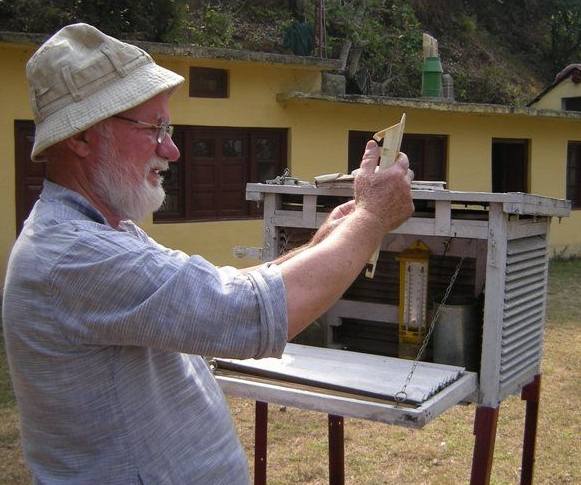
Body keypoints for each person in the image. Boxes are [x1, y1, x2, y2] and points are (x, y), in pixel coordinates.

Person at [2, 23, 414, 484]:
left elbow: (218, 290)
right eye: (153, 128)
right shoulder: (74, 255)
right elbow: (244, 313)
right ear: (80, 137)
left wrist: (327, 240)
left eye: (168, 127)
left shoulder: (102, 232)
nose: (171, 149)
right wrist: (372, 218)